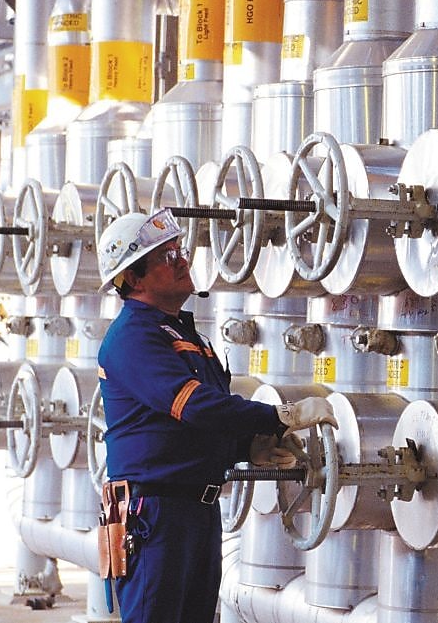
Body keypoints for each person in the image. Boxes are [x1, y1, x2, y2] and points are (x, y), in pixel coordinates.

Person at [96, 209, 337, 623]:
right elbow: (194, 406)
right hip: (155, 515)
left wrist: (248, 447)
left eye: (179, 250)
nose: (182, 261)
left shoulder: (186, 335)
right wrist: (280, 417)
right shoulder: (133, 337)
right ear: (133, 278)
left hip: (197, 509)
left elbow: (197, 425)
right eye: (167, 256)